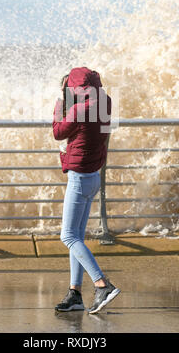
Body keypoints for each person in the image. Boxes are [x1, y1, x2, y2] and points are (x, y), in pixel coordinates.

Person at [52, 66, 121, 314]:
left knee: (68, 237)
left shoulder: (79, 109)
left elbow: (58, 132)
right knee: (77, 239)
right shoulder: (105, 102)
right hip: (93, 175)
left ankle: (102, 284)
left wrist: (62, 102)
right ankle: (75, 294)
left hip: (80, 177)